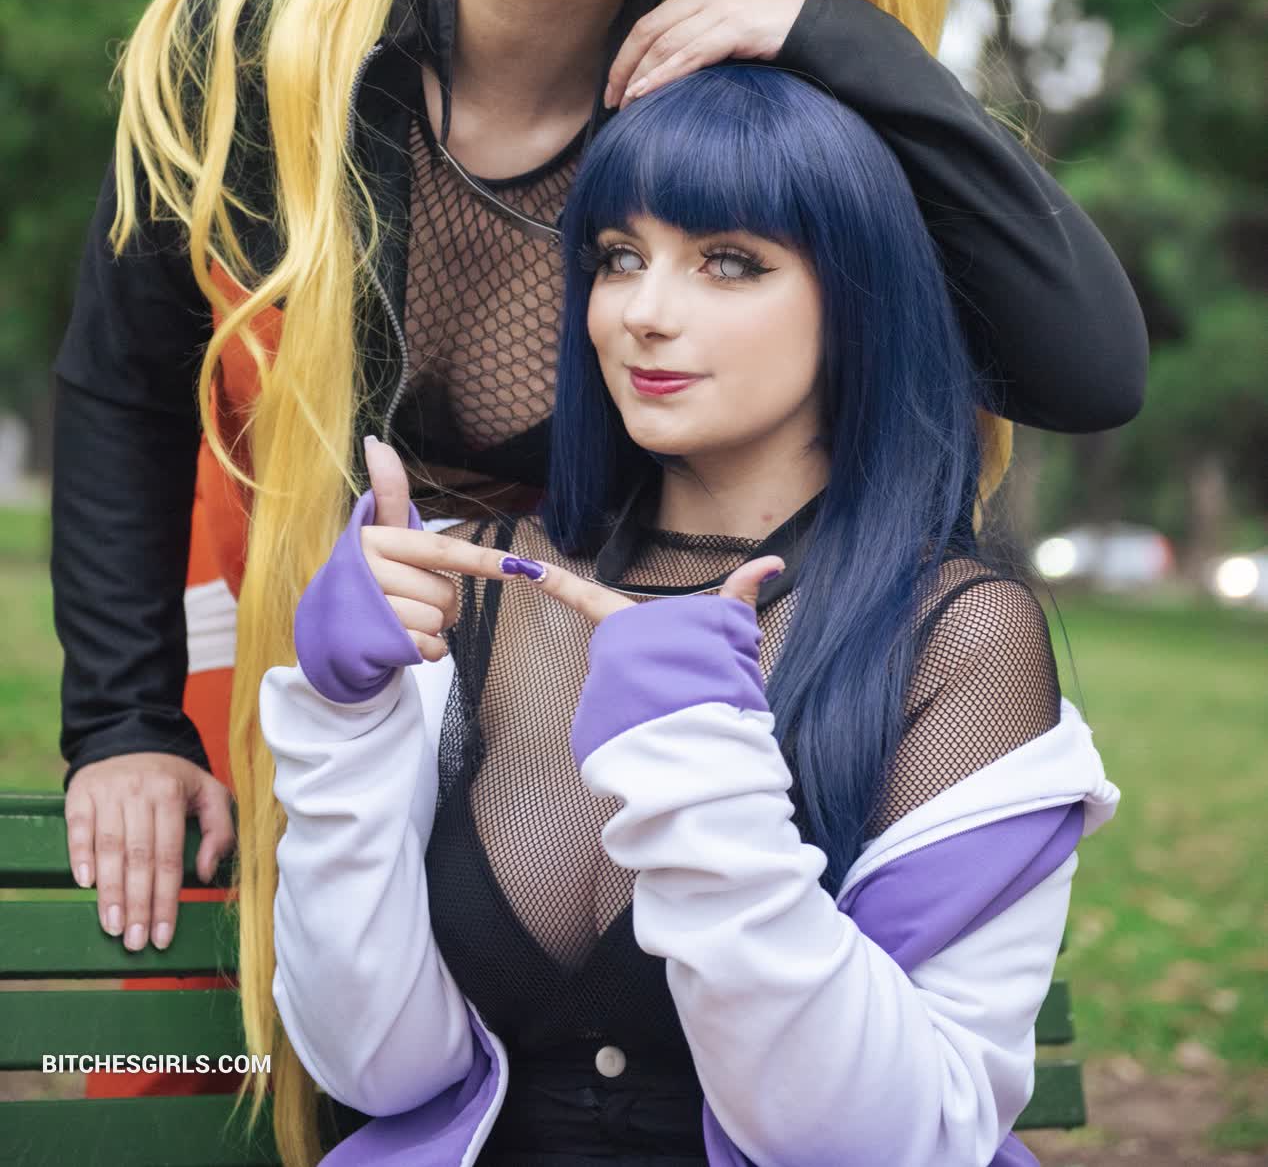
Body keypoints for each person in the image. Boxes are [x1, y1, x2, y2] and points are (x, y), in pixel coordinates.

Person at [48, 0, 1146, 1130]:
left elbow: (1086, 363)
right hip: (349, 657)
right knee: (234, 1090)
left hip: (621, 688)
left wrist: (832, 37)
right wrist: (122, 726)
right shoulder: (270, 39)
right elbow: (124, 387)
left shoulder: (729, 110)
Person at [262, 62, 1121, 1167]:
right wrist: (349, 720)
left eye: (728, 262)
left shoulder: (956, 638)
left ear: (856, 296)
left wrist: (701, 768)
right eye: (618, 257)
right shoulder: (470, 586)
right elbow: (377, 1068)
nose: (643, 312)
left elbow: (894, 1138)